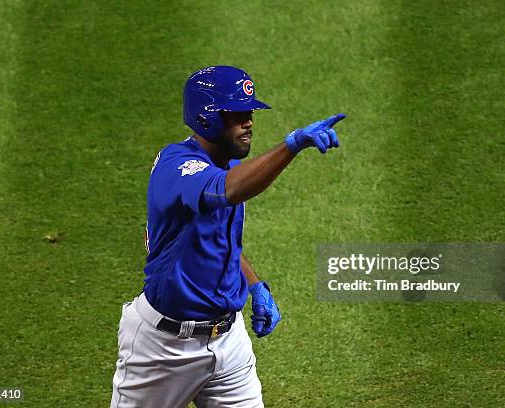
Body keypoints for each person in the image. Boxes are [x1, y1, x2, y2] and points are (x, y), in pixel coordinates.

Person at [110, 65, 346, 408]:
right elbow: (227, 191)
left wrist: (254, 285)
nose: (248, 121)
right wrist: (292, 145)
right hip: (164, 347)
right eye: (236, 114)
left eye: (249, 112)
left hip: (229, 341)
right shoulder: (177, 167)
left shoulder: (230, 167)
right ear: (207, 117)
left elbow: (222, 240)